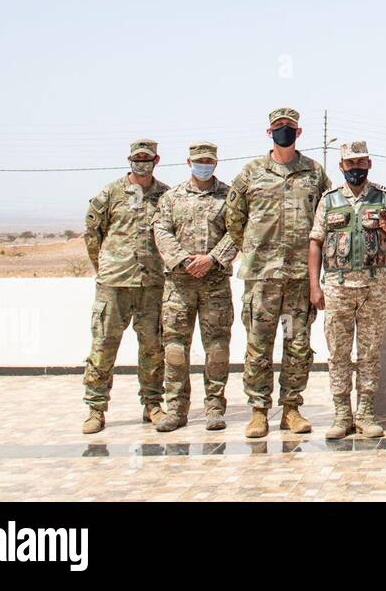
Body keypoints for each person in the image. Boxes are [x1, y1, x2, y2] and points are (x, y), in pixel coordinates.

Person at [227, 107, 331, 438]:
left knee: (297, 344)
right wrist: (254, 249)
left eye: (289, 127)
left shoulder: (314, 173)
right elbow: (233, 217)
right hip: (262, 279)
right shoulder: (251, 173)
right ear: (268, 132)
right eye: (278, 127)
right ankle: (258, 410)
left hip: (300, 279)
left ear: (299, 132)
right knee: (258, 345)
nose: (283, 130)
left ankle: (291, 408)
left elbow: (326, 217)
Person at [308, 141, 386, 440]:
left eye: (361, 163)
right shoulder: (329, 200)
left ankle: (364, 413)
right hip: (337, 288)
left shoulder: (385, 198)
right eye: (350, 164)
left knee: (368, 354)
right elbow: (316, 242)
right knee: (338, 353)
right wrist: (315, 286)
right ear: (341, 167)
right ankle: (341, 414)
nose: (356, 169)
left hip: (374, 288)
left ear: (369, 164)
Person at [81, 139, 169, 433]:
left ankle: (153, 404)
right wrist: (104, 266)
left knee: (153, 348)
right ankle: (95, 408)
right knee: (104, 345)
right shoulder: (111, 193)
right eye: (136, 157)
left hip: (152, 284)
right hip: (114, 283)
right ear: (129, 159)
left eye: (146, 158)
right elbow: (92, 233)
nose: (141, 162)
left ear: (156, 160)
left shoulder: (165, 196)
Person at [151, 142, 237, 432]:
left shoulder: (228, 197)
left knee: (217, 348)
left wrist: (212, 259)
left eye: (209, 160)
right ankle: (176, 409)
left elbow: (237, 232)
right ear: (189, 162)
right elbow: (161, 229)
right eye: (199, 160)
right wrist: (181, 259)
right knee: (174, 348)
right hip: (179, 284)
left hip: (215, 284)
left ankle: (214, 407)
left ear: (216, 162)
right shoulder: (171, 197)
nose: (204, 164)